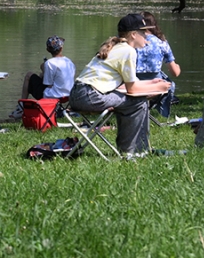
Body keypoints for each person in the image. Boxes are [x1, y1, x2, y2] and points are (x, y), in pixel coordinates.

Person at [69, 14, 171, 156]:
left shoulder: (118, 47)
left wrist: (151, 83)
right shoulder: (128, 51)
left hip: (78, 94)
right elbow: (132, 89)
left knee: (134, 100)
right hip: (90, 96)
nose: (147, 36)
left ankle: (136, 148)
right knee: (139, 102)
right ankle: (134, 151)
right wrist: (158, 89)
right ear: (134, 34)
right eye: (143, 32)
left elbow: (126, 86)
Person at [10, 35, 76, 119]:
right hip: (68, 95)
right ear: (61, 48)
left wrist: (44, 70)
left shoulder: (49, 63)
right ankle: (57, 109)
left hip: (53, 96)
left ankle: (21, 107)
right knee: (40, 76)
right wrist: (44, 73)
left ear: (48, 50)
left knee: (29, 75)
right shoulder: (69, 62)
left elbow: (49, 85)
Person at [135, 11, 181, 119]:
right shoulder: (161, 43)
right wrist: (177, 66)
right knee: (169, 83)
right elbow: (175, 73)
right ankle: (162, 114)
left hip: (132, 85)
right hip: (154, 87)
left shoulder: (130, 41)